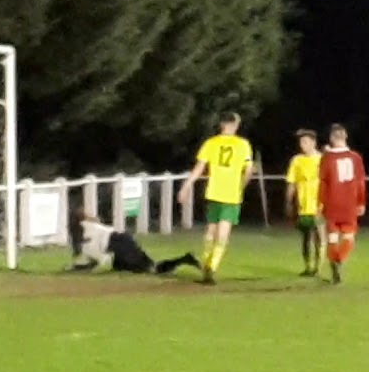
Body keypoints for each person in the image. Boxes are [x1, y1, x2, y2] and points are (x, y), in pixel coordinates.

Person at [177, 112, 254, 284]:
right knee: (223, 232)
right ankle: (212, 266)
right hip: (231, 194)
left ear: (221, 124)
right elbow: (249, 170)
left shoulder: (210, 143)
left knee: (210, 231)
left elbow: (199, 168)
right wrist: (241, 186)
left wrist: (186, 186)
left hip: (213, 192)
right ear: (235, 125)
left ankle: (206, 264)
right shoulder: (243, 144)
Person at [66, 210, 199, 275]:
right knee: (120, 267)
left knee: (152, 269)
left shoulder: (85, 242)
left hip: (119, 244)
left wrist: (77, 269)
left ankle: (185, 259)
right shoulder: (88, 227)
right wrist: (76, 268)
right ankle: (183, 260)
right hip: (120, 239)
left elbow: (100, 261)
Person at [318, 124, 367, 284]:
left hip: (332, 203)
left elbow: (323, 183)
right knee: (349, 237)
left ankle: (334, 263)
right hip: (349, 203)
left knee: (332, 237)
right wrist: (361, 201)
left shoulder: (327, 158)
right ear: (345, 137)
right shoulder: (355, 157)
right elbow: (361, 182)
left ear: (332, 139)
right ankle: (340, 259)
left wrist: (320, 203)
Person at [285, 129, 324, 276]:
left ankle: (318, 268)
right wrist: (288, 201)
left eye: (306, 142)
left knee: (319, 236)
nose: (303, 145)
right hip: (302, 205)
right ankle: (308, 266)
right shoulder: (296, 160)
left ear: (314, 143)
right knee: (306, 237)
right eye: (301, 142)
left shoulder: (322, 159)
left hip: (319, 205)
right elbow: (291, 182)